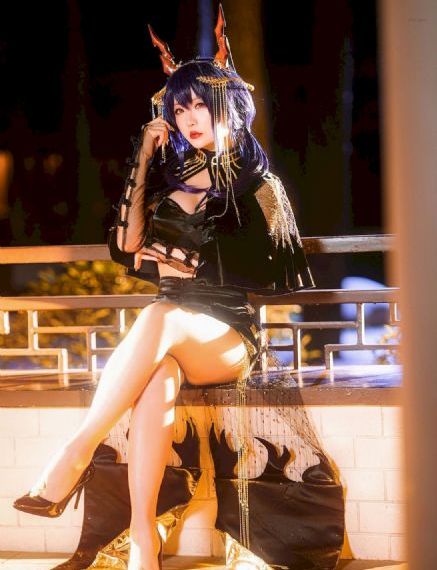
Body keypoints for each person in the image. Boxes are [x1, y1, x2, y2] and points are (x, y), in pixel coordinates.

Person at [13, 7, 315, 570]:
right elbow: (128, 244)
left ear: (228, 106)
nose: (189, 117)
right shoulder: (169, 178)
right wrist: (144, 154)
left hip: (228, 334)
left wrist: (188, 265)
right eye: (180, 108)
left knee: (162, 314)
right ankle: (142, 541)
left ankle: (74, 453)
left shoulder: (259, 183)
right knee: (158, 378)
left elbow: (275, 269)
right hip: (169, 336)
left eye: (200, 104)